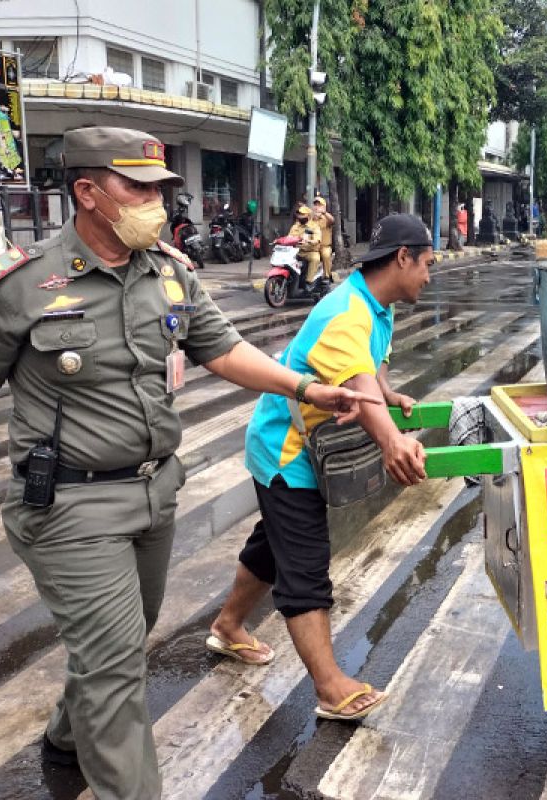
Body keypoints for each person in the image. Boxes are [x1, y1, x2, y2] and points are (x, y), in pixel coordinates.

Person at [0, 127, 379, 800]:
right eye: (136, 187)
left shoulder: (167, 272)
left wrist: (306, 388)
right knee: (115, 669)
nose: (155, 201)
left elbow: (223, 350)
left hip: (153, 496)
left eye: (160, 188)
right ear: (87, 193)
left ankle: (64, 742)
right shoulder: (20, 285)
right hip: (67, 508)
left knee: (117, 644)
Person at [207, 213, 431, 721]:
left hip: (309, 441)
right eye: (427, 265)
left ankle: (227, 626)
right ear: (402, 259)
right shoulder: (347, 312)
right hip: (287, 449)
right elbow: (357, 371)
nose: (428, 275)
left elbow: (369, 368)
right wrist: (393, 442)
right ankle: (330, 688)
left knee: (274, 545)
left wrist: (388, 392)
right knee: (304, 562)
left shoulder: (377, 305)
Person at [288, 205, 324, 287]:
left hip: (309, 251)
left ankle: (309, 282)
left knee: (315, 258)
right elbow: (289, 237)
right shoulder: (295, 226)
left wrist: (309, 241)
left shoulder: (314, 226)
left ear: (308, 216)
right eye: (299, 214)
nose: (300, 216)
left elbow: (317, 239)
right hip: (296, 251)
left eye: (302, 214)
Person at [311, 196, 336, 281]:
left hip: (324, 246)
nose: (317, 207)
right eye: (315, 205)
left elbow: (333, 220)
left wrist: (324, 213)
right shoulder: (311, 219)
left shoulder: (326, 218)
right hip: (312, 246)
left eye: (319, 205)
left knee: (326, 254)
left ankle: (327, 277)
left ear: (324, 207)